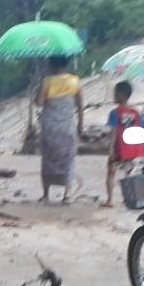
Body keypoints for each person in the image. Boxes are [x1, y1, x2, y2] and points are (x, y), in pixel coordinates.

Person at [35, 55, 84, 204]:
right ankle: (66, 195)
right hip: (67, 127)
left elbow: (39, 103)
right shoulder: (75, 81)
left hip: (50, 127)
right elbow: (80, 106)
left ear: (51, 65)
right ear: (66, 64)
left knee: (48, 159)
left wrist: (38, 90)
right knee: (68, 159)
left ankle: (46, 195)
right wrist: (81, 124)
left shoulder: (47, 82)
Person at [103, 80, 144, 208]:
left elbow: (114, 132)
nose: (114, 95)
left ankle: (110, 200)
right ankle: (129, 198)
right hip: (132, 148)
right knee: (129, 172)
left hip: (119, 147)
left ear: (122, 94)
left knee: (111, 172)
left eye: (115, 93)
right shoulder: (137, 112)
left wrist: (110, 150)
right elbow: (142, 127)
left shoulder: (114, 113)